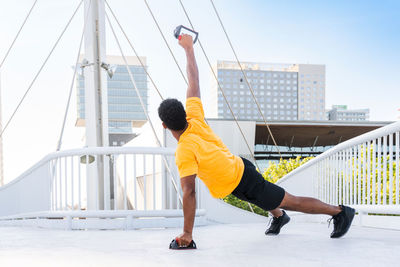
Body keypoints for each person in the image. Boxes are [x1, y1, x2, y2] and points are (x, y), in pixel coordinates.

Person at [158, 34, 355, 248]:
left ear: (165, 125)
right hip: (239, 172)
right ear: (183, 112)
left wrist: (187, 232)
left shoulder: (184, 150)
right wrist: (188, 48)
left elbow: (189, 191)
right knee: (260, 198)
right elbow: (193, 80)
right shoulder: (194, 117)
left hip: (243, 179)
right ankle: (279, 217)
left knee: (293, 202)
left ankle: (340, 212)